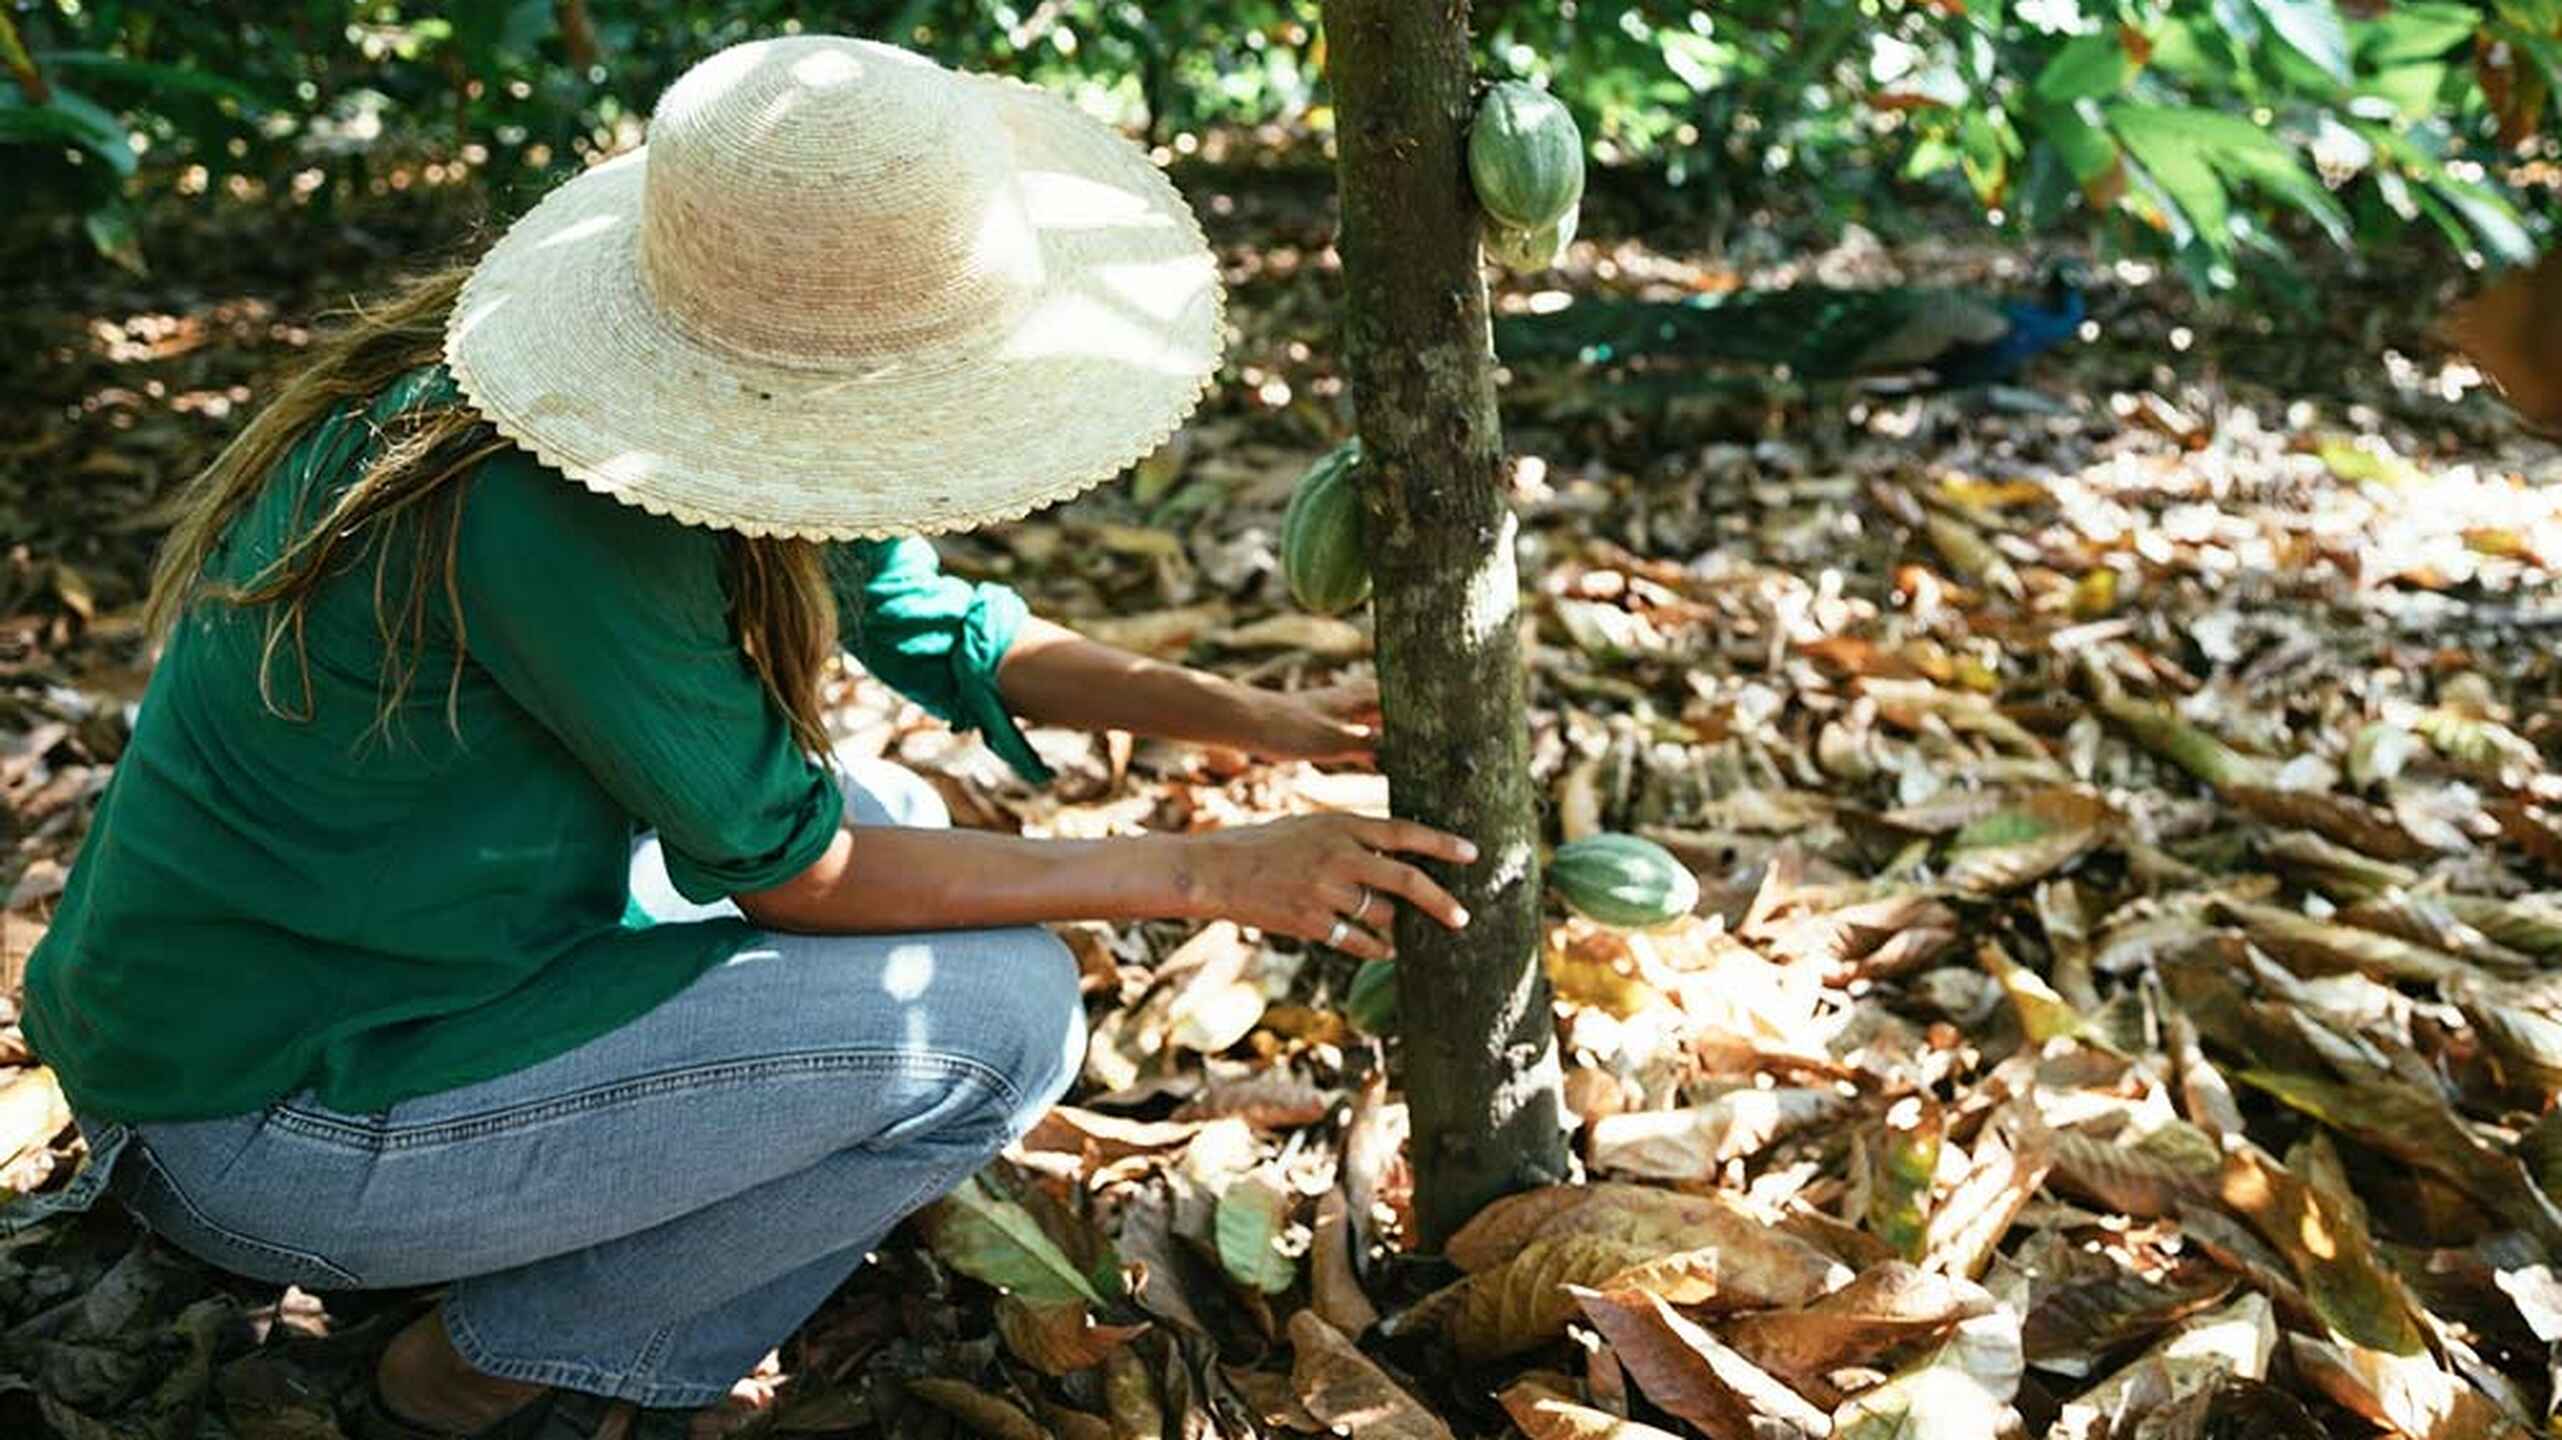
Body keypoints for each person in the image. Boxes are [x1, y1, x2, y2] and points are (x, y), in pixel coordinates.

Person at [8, 35, 1478, 1440]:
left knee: (895, 798)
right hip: (258, 1123)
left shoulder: (652, 410)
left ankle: (555, 1252)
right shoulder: (562, 501)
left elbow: (937, 625)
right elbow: (806, 880)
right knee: (997, 1021)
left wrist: (1252, 718)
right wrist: (1205, 871)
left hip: (372, 979)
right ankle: (471, 1374)